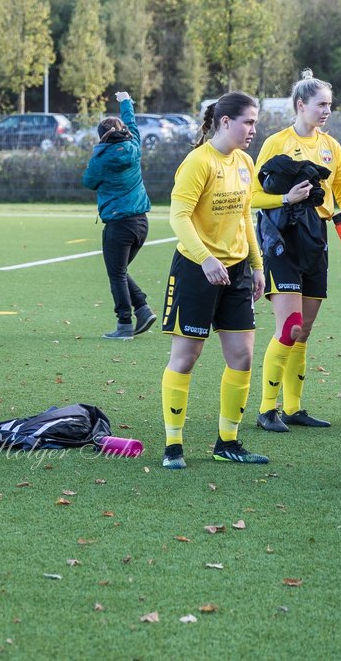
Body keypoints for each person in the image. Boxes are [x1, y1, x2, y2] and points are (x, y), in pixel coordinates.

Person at [159, 92, 267, 469]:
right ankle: (173, 445)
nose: (253, 129)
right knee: (186, 357)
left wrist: (256, 264)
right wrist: (205, 259)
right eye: (248, 121)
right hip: (195, 270)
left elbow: (244, 217)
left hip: (236, 271)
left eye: (255, 122)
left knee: (242, 356)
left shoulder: (244, 162)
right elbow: (179, 217)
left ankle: (228, 441)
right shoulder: (198, 162)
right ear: (225, 122)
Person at [250, 70, 341, 432]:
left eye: (330, 105)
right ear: (301, 105)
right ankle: (267, 409)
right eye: (321, 104)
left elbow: (339, 195)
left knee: (305, 329)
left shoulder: (332, 146)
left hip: (317, 236)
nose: (327, 110)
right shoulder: (276, 143)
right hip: (283, 238)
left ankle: (294, 408)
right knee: (290, 325)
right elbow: (251, 195)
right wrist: (286, 197)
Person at [81, 91, 156, 340]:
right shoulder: (134, 146)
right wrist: (125, 101)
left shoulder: (100, 158)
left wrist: (95, 158)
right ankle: (143, 309)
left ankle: (125, 323)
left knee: (116, 273)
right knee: (120, 270)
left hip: (118, 223)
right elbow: (132, 124)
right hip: (141, 223)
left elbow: (88, 181)